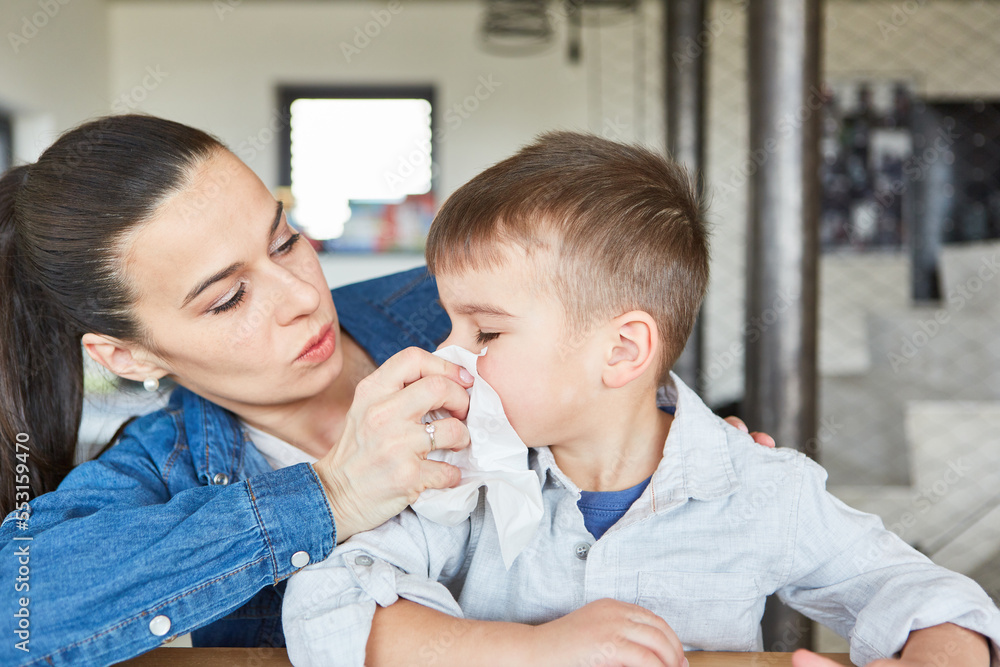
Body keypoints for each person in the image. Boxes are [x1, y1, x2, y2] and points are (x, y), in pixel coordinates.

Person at [0, 114, 770, 667]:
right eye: (228, 298)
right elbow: (16, 612)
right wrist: (329, 497)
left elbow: (623, 381)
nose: (302, 295)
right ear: (126, 355)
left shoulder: (453, 302)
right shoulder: (162, 470)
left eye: (284, 240)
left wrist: (682, 451)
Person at [282, 132, 1000, 667]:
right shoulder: (463, 476)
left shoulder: (758, 487)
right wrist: (532, 651)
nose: (450, 352)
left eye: (486, 329)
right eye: (451, 323)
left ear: (622, 351)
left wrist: (944, 655)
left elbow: (917, 589)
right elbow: (324, 605)